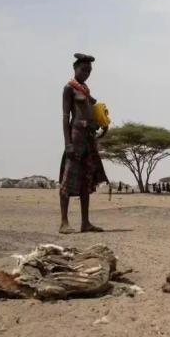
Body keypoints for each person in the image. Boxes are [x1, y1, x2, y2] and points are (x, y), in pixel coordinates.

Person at [59, 53, 109, 233]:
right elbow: (66, 118)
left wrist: (103, 124)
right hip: (76, 138)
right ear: (75, 68)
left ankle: (85, 223)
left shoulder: (85, 90)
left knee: (86, 181)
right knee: (68, 179)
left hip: (88, 138)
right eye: (84, 69)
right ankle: (64, 223)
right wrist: (68, 144)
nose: (87, 73)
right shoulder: (69, 88)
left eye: (89, 70)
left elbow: (96, 109)